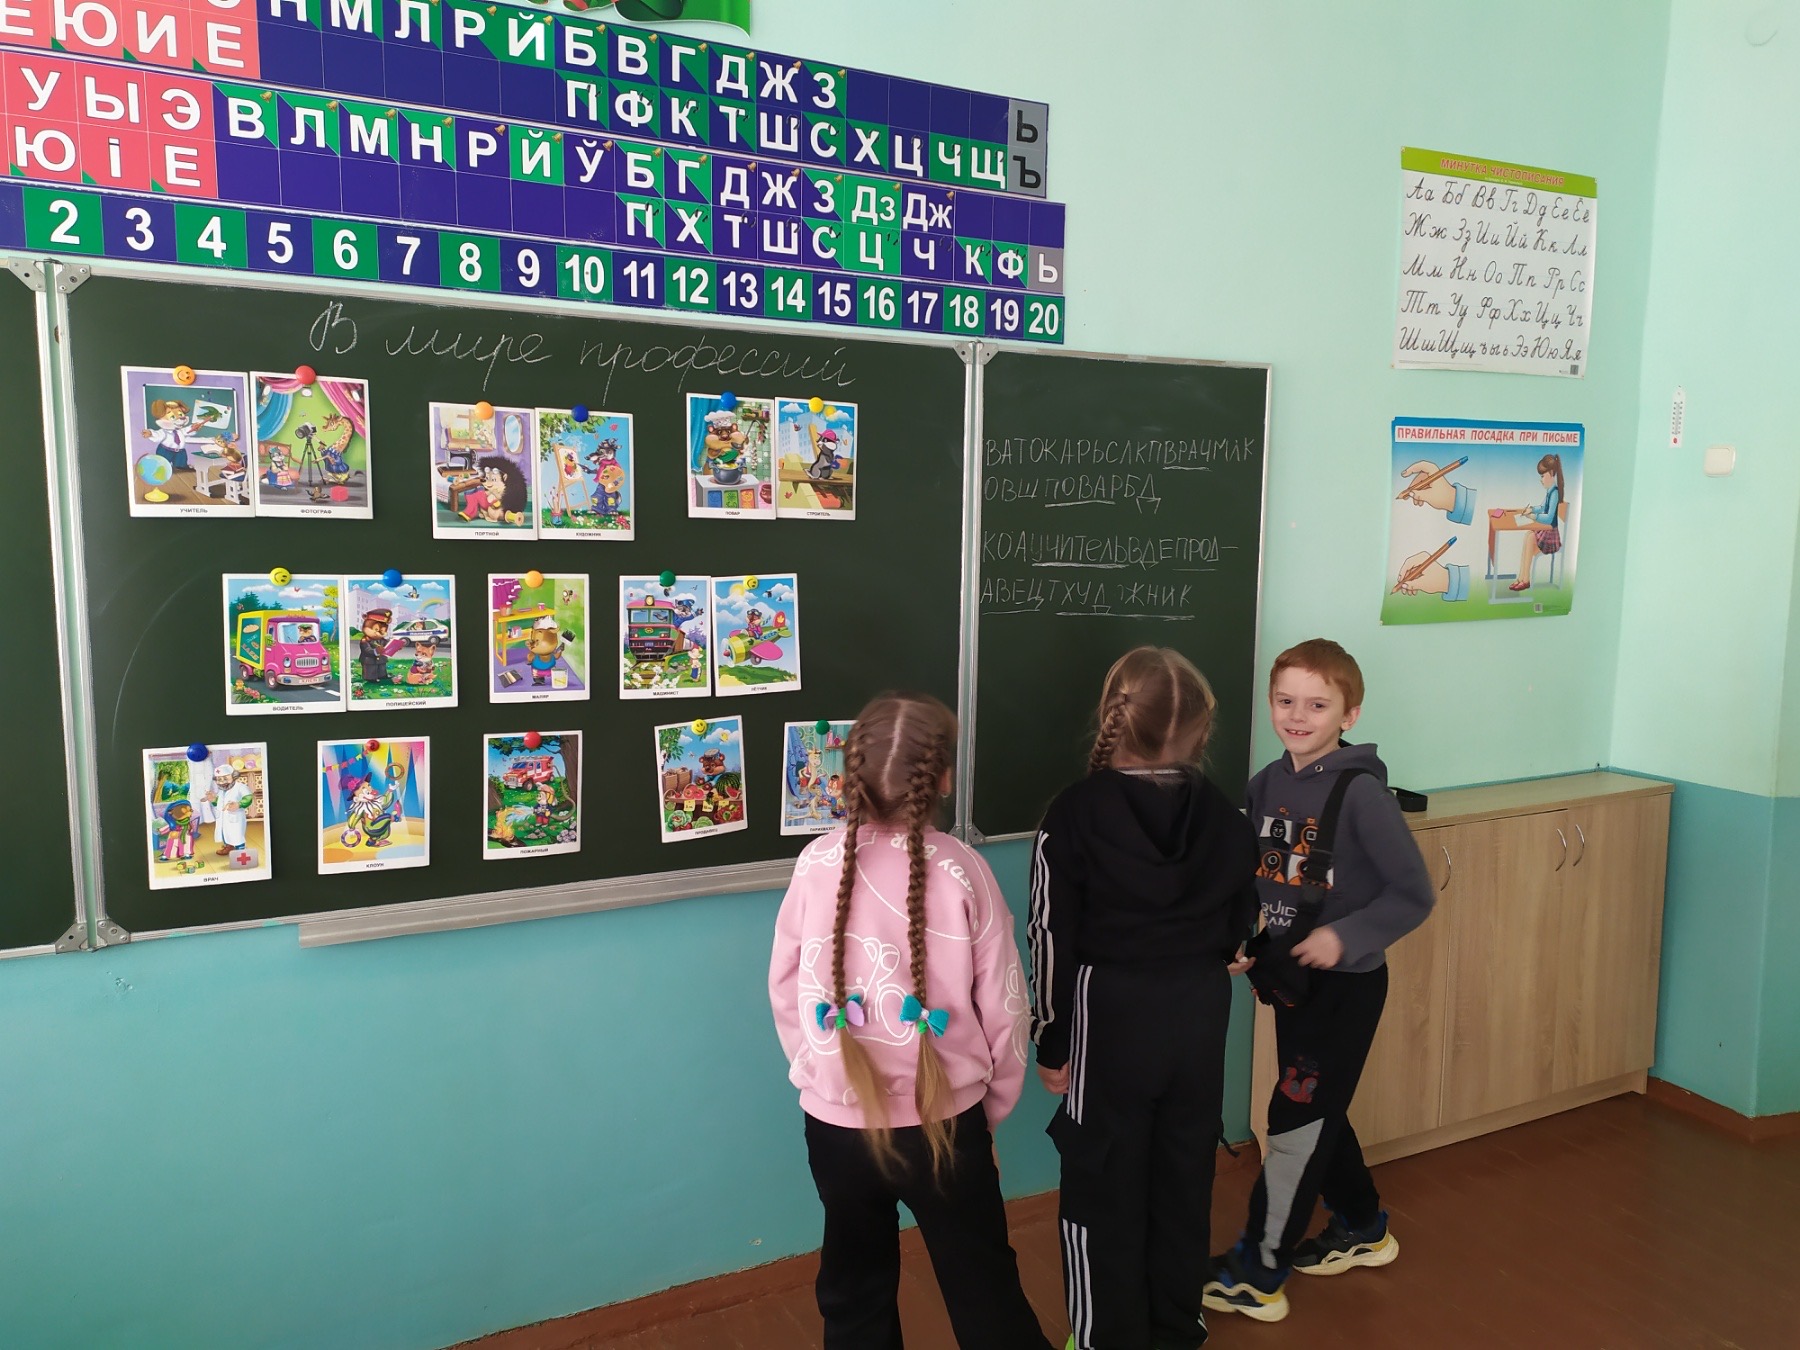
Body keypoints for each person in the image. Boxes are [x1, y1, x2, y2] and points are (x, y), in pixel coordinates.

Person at [769, 693, 1052, 1350]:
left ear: (850, 772)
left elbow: (785, 988)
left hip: (837, 1129)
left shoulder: (816, 863)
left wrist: (820, 1077)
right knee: (984, 1287)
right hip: (947, 1127)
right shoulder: (963, 867)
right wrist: (988, 1112)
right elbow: (1007, 1005)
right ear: (943, 777)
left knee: (854, 1292)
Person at [1029, 647, 1258, 1350]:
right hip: (1198, 1010)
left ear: (1114, 717)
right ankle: (1176, 1325)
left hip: (1110, 1013)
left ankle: (1106, 1336)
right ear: (1202, 731)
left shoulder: (1072, 812)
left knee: (1101, 1180)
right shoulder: (1226, 813)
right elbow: (1241, 925)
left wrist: (1052, 1038)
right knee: (1184, 1173)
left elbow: (1050, 934)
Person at [1203, 639, 1434, 1324]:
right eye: (1285, 702)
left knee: (1294, 1120)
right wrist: (1243, 940)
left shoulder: (1361, 794)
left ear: (1348, 715)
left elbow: (1412, 894)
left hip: (1347, 987)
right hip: (1293, 983)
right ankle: (1361, 1226)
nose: (1297, 717)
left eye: (1317, 705)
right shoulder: (1264, 785)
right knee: (1315, 1109)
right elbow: (1257, 879)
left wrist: (1345, 937)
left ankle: (1257, 1271)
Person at [1507, 453, 1565, 591]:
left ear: (1551, 474)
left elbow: (1549, 518)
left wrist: (1533, 517)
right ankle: (1521, 577)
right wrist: (1532, 509)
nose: (1541, 480)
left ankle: (1525, 580)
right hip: (1547, 532)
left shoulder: (1555, 493)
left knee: (1530, 538)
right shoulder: (1550, 491)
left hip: (1551, 536)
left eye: (1543, 476)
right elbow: (1542, 507)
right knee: (1528, 535)